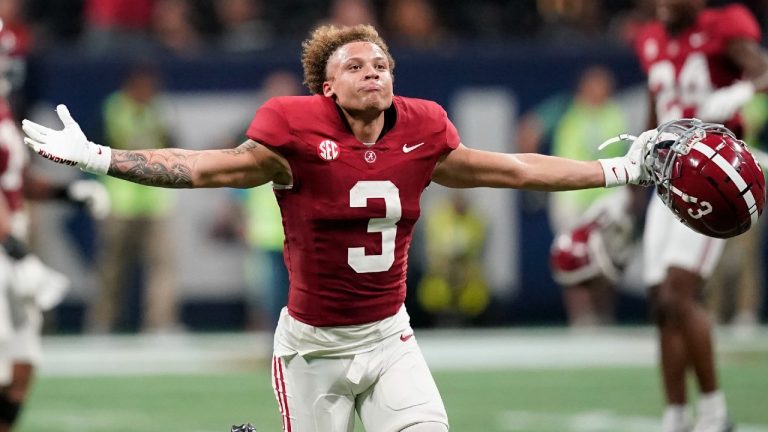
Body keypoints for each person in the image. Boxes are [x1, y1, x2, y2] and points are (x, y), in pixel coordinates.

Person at [22, 24, 655, 432]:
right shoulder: (293, 131)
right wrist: (103, 158)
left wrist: (625, 169)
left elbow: (517, 169)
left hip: (389, 339)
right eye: (356, 66)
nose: (374, 72)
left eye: (381, 64)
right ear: (327, 87)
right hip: (312, 348)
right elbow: (206, 168)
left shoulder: (423, 129)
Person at [633, 1, 768, 431]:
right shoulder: (650, 37)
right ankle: (676, 415)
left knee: (678, 293)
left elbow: (764, 69)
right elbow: (655, 107)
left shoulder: (723, 26)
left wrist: (742, 92)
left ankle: (714, 412)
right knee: (661, 303)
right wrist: (632, 177)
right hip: (665, 181)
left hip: (711, 181)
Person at [87, 64, 180, 334]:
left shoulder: (161, 109)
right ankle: (102, 322)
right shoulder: (112, 109)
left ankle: (161, 324)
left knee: (162, 266)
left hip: (155, 201)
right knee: (112, 267)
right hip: (120, 201)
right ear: (132, 84)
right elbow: (94, 153)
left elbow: (176, 147)